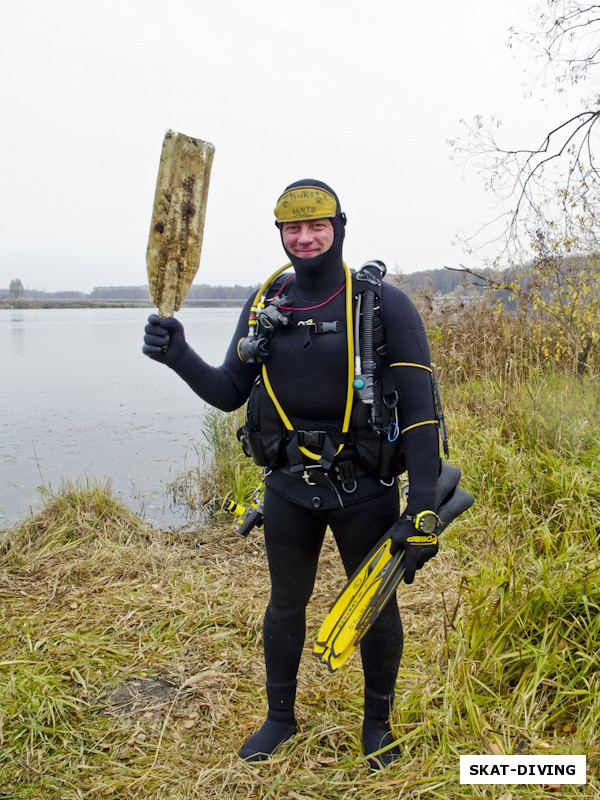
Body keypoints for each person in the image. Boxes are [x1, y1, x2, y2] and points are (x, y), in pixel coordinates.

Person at [142, 179, 441, 768]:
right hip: (287, 486)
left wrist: (424, 508)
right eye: (292, 228)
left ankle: (376, 725)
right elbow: (230, 391)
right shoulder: (264, 303)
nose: (304, 238)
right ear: (280, 233)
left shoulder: (385, 303)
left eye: (316, 226)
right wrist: (178, 354)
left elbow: (422, 413)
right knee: (285, 602)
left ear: (340, 227)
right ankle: (279, 718)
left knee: (375, 606)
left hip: (364, 485)